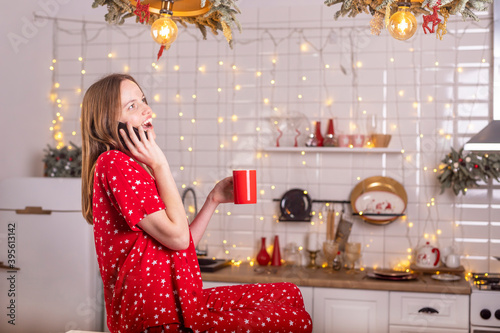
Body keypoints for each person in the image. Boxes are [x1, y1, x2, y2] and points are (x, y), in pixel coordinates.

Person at [81, 73, 313, 333]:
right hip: (159, 318)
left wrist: (213, 200)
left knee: (288, 294)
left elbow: (179, 244)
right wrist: (160, 164)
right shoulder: (114, 164)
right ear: (107, 123)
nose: (148, 109)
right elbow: (179, 239)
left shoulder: (132, 168)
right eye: (132, 106)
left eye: (143, 100)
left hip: (183, 304)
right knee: (298, 321)